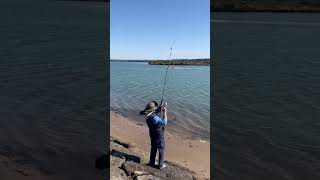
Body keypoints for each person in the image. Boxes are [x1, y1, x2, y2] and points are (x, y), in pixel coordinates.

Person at [140, 101, 168, 169]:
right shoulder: (155, 118)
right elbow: (164, 123)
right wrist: (165, 113)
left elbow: (155, 112)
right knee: (161, 148)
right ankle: (161, 165)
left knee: (153, 148)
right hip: (159, 136)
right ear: (153, 110)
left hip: (152, 134)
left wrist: (160, 107)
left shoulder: (148, 115)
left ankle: (152, 162)